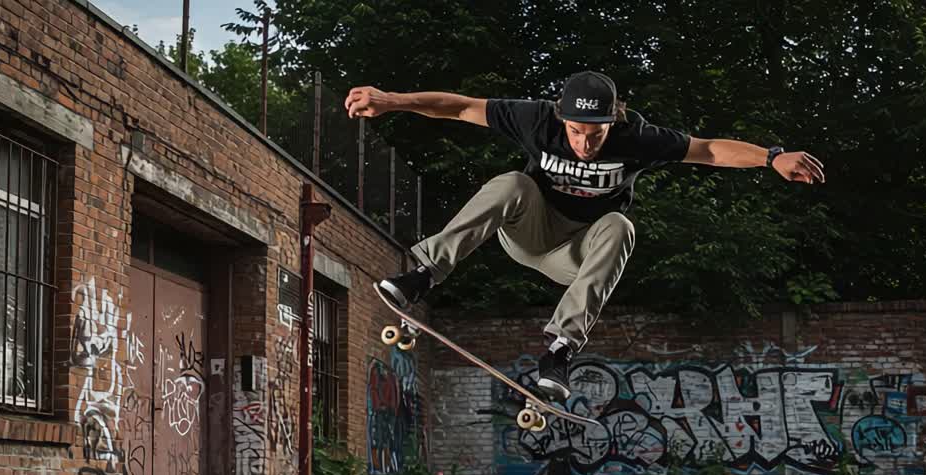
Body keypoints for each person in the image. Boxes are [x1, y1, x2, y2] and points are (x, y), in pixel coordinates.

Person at [347, 70, 824, 402]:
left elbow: (710, 150)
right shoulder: (537, 119)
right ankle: (424, 275)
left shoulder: (637, 138)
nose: (585, 144)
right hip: (528, 232)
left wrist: (771, 156)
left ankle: (559, 351)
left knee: (620, 225)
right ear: (562, 117)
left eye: (595, 135)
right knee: (512, 183)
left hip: (576, 256)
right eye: (576, 132)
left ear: (614, 119)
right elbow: (461, 108)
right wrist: (393, 101)